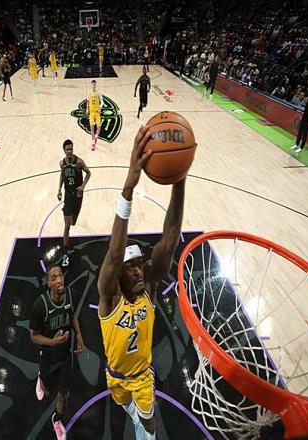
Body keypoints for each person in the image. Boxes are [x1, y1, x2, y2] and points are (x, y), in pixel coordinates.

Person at [97, 125, 187, 440]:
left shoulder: (148, 286)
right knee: (126, 407)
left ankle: (146, 430)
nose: (137, 271)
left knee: (148, 425)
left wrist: (179, 179)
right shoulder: (109, 297)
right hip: (114, 376)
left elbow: (170, 239)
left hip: (141, 377)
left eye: (139, 265)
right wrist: (128, 188)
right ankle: (136, 416)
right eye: (130, 268)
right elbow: (114, 253)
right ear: (119, 274)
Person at [30, 253, 86, 440]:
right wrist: (52, 342)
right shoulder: (40, 306)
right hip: (47, 355)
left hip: (64, 355)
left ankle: (57, 420)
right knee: (47, 391)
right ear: (48, 283)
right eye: (54, 278)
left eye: (61, 275)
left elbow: (72, 315)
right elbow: (34, 336)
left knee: (63, 394)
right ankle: (41, 377)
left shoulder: (69, 294)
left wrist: (79, 335)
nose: (59, 280)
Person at [57, 139, 91, 251]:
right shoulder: (62, 163)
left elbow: (88, 173)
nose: (69, 151)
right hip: (68, 196)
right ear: (64, 150)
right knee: (67, 226)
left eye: (71, 149)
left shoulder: (79, 162)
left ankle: (72, 218)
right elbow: (62, 176)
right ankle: (65, 250)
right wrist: (59, 189)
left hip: (78, 195)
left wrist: (83, 186)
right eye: (67, 149)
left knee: (73, 222)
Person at [86, 80, 103, 151]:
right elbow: (87, 101)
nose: (93, 85)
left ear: (96, 85)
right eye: (92, 84)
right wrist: (87, 108)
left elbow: (102, 102)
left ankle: (96, 136)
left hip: (97, 112)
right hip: (92, 112)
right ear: (91, 85)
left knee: (99, 128)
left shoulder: (98, 92)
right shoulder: (89, 92)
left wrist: (100, 107)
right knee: (92, 128)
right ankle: (93, 142)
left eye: (94, 84)